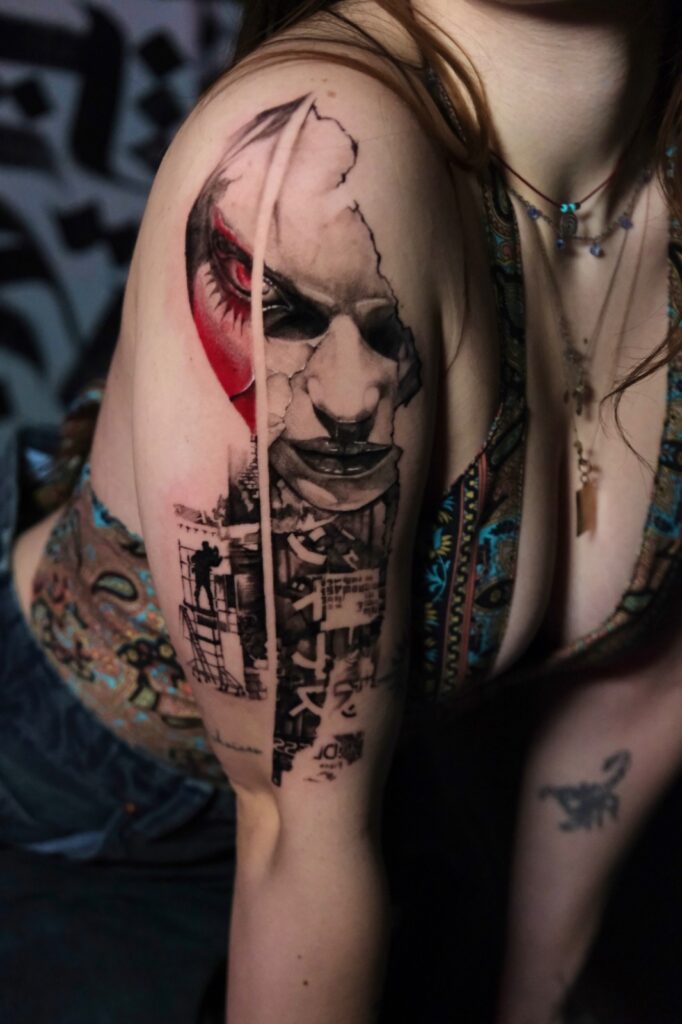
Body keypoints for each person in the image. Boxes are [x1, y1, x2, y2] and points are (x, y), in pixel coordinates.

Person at [5, 2, 682, 1023]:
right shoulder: (311, 173)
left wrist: (533, 1000)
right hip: (76, 809)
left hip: (400, 793)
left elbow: (632, 687)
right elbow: (297, 832)